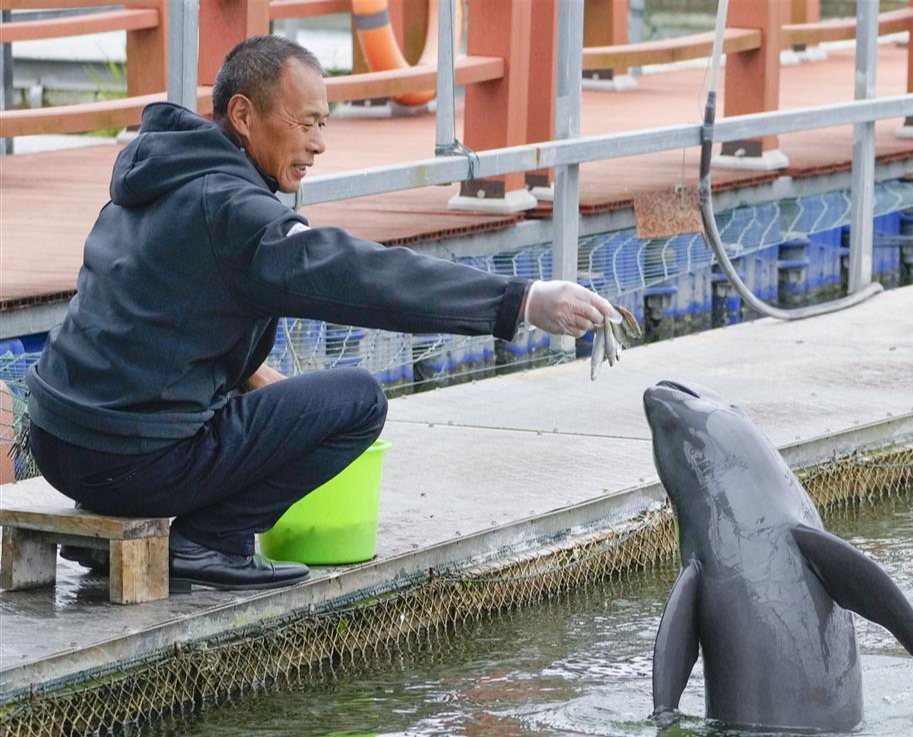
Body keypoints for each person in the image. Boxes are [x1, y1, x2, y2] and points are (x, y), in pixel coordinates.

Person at [25, 35, 617, 592]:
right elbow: (363, 277)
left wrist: (253, 375)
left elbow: (156, 305)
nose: (318, 143)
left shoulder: (160, 174)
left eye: (324, 123)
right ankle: (207, 543)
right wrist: (519, 301)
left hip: (58, 440)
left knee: (269, 396)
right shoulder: (237, 210)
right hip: (130, 462)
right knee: (357, 402)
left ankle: (127, 528)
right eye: (304, 122)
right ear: (242, 115)